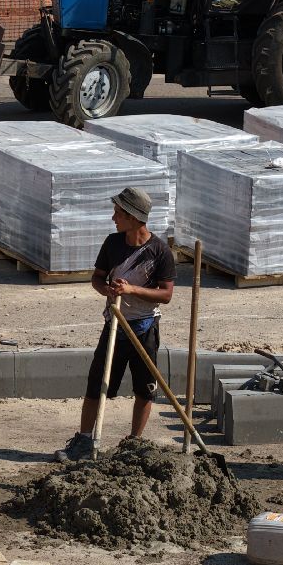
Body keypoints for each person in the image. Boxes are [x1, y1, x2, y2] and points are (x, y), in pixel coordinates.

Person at [56, 187, 176, 463]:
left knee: (145, 388)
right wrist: (107, 290)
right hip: (114, 326)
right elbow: (97, 278)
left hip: (144, 327)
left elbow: (166, 294)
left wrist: (132, 289)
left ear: (134, 217)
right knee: (96, 384)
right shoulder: (112, 243)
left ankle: (134, 443)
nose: (113, 218)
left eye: (118, 213)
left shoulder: (159, 251)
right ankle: (85, 441)